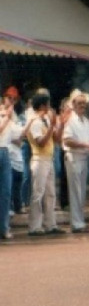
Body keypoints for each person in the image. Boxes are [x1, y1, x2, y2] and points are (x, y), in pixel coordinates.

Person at [61, 90, 89, 233]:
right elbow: (67, 140)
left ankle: (80, 222)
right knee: (76, 192)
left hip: (83, 157)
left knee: (81, 192)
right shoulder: (70, 119)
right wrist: (87, 145)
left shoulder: (85, 120)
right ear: (73, 104)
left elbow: (87, 140)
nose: (82, 105)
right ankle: (77, 224)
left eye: (84, 103)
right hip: (73, 157)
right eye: (79, 103)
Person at [26, 92, 65, 235]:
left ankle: (50, 224)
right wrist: (51, 127)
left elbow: (55, 139)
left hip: (48, 159)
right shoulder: (34, 121)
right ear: (43, 106)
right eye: (47, 104)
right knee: (38, 193)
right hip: (39, 159)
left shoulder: (46, 120)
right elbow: (40, 142)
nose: (49, 107)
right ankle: (34, 226)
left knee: (50, 193)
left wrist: (59, 125)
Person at [1, 92, 23, 239]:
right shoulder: (5, 119)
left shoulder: (9, 120)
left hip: (5, 153)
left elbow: (20, 136)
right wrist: (6, 118)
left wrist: (32, 122)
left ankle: (4, 228)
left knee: (6, 193)